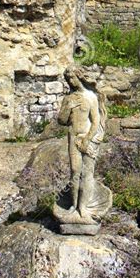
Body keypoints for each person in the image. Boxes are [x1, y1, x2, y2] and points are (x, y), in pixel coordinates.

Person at [53, 65, 106, 224]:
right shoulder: (68, 98)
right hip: (73, 137)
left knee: (87, 173)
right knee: (75, 172)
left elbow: (96, 121)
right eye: (68, 79)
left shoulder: (91, 97)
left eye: (73, 77)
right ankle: (74, 206)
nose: (70, 81)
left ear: (80, 76)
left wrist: (87, 139)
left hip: (88, 138)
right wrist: (67, 108)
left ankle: (83, 208)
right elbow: (61, 121)